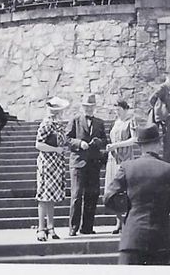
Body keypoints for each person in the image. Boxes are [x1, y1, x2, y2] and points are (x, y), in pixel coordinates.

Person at [104, 123, 170, 265]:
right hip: (160, 239)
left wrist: (129, 204)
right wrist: (163, 204)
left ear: (140, 146)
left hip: (132, 237)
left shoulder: (127, 167)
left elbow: (109, 198)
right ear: (159, 144)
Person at [66, 93, 107, 236]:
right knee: (76, 195)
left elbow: (105, 141)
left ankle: (87, 227)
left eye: (91, 107)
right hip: (78, 162)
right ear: (82, 107)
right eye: (86, 106)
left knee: (92, 195)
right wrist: (79, 143)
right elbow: (67, 139)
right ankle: (73, 227)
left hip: (94, 163)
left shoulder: (100, 123)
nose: (89, 109)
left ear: (94, 107)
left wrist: (98, 142)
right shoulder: (75, 120)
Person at [35, 96, 70, 241]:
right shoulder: (47, 124)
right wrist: (56, 149)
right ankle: (41, 228)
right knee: (44, 197)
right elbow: (38, 144)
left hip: (56, 164)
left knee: (51, 197)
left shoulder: (57, 125)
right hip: (47, 163)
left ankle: (51, 227)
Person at [105, 99, 137, 234]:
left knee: (126, 191)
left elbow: (134, 139)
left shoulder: (131, 121)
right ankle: (118, 221)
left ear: (125, 109)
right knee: (113, 191)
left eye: (119, 110)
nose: (117, 112)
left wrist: (117, 145)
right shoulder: (115, 123)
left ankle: (128, 221)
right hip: (113, 160)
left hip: (126, 159)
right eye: (115, 110)